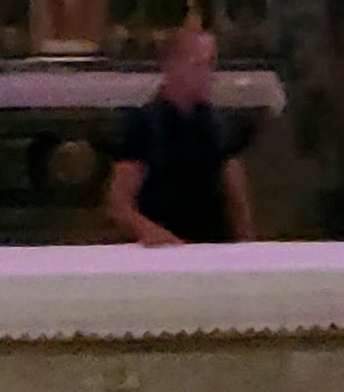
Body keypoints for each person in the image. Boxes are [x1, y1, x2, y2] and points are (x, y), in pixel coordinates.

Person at [108, 19, 252, 246]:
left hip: (214, 248)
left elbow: (237, 201)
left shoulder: (220, 126)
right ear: (172, 66)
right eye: (198, 65)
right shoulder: (143, 124)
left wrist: (247, 249)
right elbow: (120, 204)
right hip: (161, 251)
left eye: (211, 65)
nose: (208, 74)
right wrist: (151, 232)